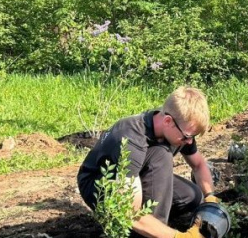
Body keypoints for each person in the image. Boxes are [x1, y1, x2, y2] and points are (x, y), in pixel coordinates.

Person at [78, 86, 219, 238]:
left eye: (193, 136)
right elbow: (130, 213)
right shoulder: (132, 140)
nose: (190, 142)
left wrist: (210, 197)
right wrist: (178, 236)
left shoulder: (177, 127)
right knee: (161, 155)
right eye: (187, 137)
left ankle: (152, 224)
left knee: (192, 196)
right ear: (168, 121)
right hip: (99, 183)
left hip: (136, 174)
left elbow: (198, 165)